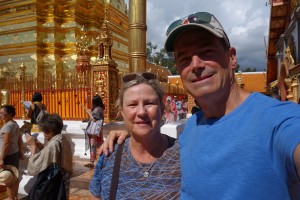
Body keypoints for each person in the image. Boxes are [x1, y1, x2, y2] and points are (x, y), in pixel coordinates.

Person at [101, 12, 300, 199]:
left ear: (231, 57)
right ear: (179, 69)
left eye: (206, 51)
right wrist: (132, 135)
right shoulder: (189, 131)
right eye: (184, 58)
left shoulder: (277, 120)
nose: (195, 65)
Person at [89, 72, 181, 199]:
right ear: (122, 112)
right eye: (132, 105)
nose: (142, 112)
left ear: (161, 109)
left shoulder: (182, 154)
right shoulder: (109, 155)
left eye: (149, 103)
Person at [25, 113, 73, 199]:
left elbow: (34, 166)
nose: (43, 134)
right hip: (62, 182)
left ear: (50, 131)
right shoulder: (63, 138)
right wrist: (40, 146)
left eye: (44, 132)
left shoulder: (53, 144)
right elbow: (54, 155)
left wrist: (33, 147)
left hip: (52, 187)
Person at [0, 105, 24, 200]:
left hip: (7, 155)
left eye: (2, 113)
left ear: (10, 114)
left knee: (9, 178)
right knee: (15, 176)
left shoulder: (7, 127)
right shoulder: (15, 124)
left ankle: (11, 198)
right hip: (14, 152)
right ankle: (15, 196)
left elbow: (6, 144)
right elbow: (19, 140)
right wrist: (21, 151)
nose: (0, 115)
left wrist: (1, 159)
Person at [84, 95, 105, 165]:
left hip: (95, 130)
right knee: (99, 143)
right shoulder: (100, 108)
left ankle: (94, 160)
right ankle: (98, 159)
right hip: (98, 130)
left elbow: (94, 119)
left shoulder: (97, 109)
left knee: (93, 144)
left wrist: (89, 113)